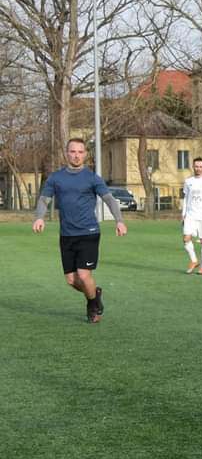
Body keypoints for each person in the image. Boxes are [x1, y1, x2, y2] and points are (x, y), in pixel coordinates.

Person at [32, 138, 128, 323]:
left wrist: (120, 221)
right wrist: (39, 217)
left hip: (88, 232)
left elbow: (109, 199)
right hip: (66, 235)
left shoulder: (92, 178)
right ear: (67, 153)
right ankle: (94, 296)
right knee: (71, 280)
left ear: (85, 154)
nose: (76, 155)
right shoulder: (56, 177)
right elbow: (44, 199)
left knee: (83, 275)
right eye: (73, 151)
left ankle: (93, 306)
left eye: (80, 152)